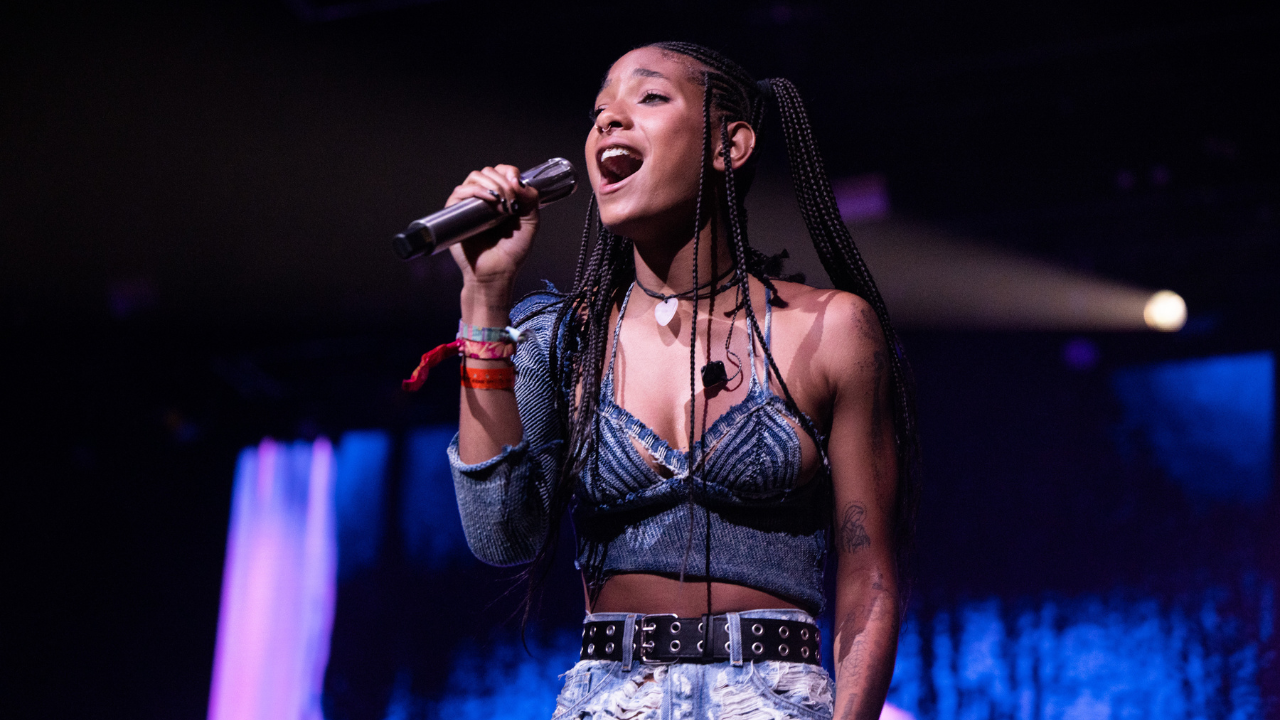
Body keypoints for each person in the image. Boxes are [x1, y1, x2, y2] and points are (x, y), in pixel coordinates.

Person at [439, 42, 920, 720]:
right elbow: (500, 536)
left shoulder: (830, 330)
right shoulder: (566, 339)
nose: (608, 121)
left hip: (772, 697)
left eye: (649, 97)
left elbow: (869, 575)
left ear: (730, 144)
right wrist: (484, 299)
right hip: (610, 697)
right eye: (598, 111)